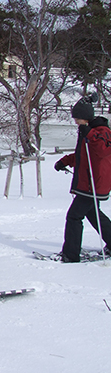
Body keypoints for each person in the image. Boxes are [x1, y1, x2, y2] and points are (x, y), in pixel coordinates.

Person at [54, 93, 111, 262]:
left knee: (74, 216)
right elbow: (83, 155)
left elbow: (103, 150)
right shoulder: (87, 131)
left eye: (77, 118)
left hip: (94, 183)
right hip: (87, 182)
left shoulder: (102, 131)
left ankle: (70, 255)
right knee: (94, 214)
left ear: (85, 117)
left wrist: (89, 134)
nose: (75, 121)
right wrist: (65, 161)